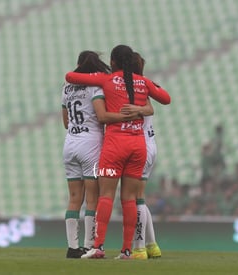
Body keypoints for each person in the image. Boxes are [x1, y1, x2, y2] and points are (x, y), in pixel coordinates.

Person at [66, 44, 170, 259]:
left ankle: (98, 246)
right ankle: (127, 250)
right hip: (138, 147)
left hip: (115, 147)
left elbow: (70, 77)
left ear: (113, 62)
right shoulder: (143, 82)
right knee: (130, 199)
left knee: (106, 196)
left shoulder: (107, 80)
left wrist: (91, 69)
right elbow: (165, 98)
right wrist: (141, 109)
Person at [61, 50, 140, 258]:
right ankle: (89, 246)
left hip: (70, 143)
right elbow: (102, 116)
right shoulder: (94, 87)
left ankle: (72, 247)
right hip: (91, 145)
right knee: (92, 198)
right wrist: (125, 117)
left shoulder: (67, 88)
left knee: (74, 198)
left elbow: (65, 121)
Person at [119, 52, 162, 259]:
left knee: (135, 199)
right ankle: (152, 245)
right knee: (139, 199)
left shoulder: (130, 91)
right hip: (149, 144)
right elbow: (152, 107)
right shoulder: (143, 88)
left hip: (140, 146)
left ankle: (139, 248)